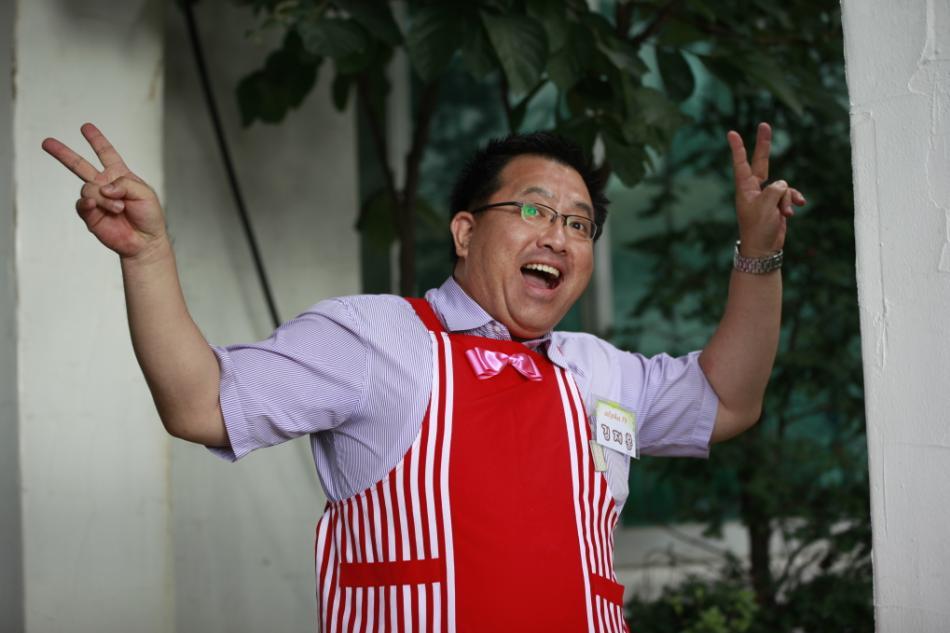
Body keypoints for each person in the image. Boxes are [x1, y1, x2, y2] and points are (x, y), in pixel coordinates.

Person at [43, 123, 803, 633]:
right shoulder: (375, 337)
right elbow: (199, 402)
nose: (558, 235)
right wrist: (148, 256)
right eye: (534, 209)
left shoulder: (598, 368)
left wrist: (759, 254)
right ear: (466, 231)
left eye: (579, 223)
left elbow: (727, 399)